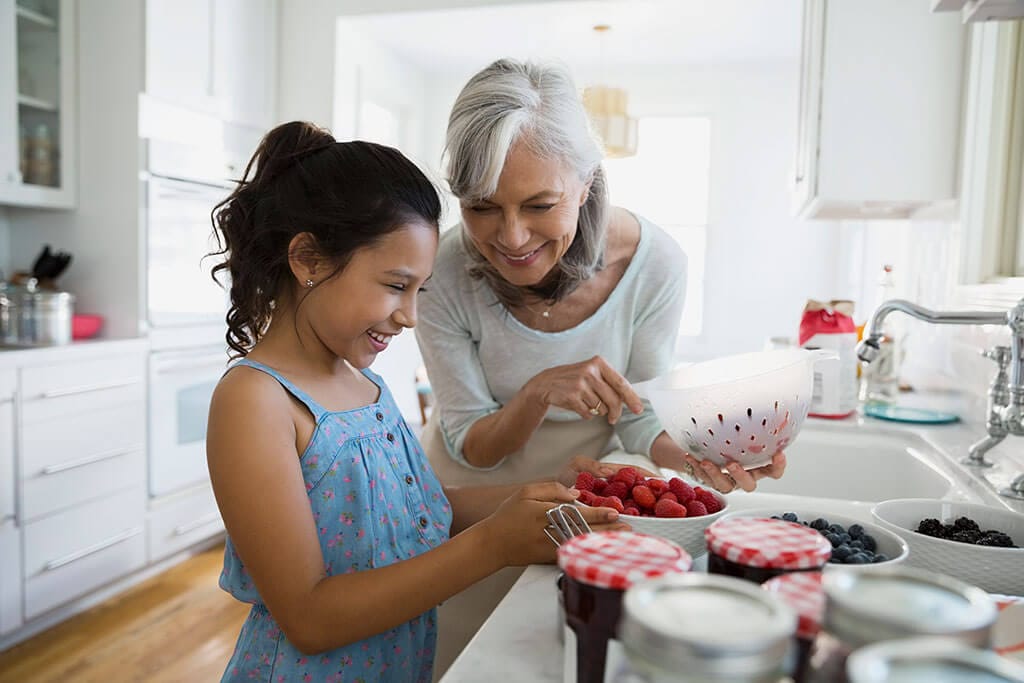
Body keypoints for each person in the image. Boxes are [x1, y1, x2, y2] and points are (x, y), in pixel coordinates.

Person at [205, 121, 628, 683]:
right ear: (307, 259)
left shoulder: (366, 385)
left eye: (419, 290)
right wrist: (492, 546)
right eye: (394, 285)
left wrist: (557, 491)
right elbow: (308, 617)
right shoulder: (255, 401)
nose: (410, 316)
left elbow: (420, 510)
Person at [415, 58, 788, 678]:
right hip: (468, 503)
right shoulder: (442, 270)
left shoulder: (655, 264)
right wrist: (539, 392)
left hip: (585, 507)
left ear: (587, 183)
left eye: (539, 204)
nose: (510, 236)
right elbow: (471, 444)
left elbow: (639, 421)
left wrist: (701, 457)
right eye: (481, 207)